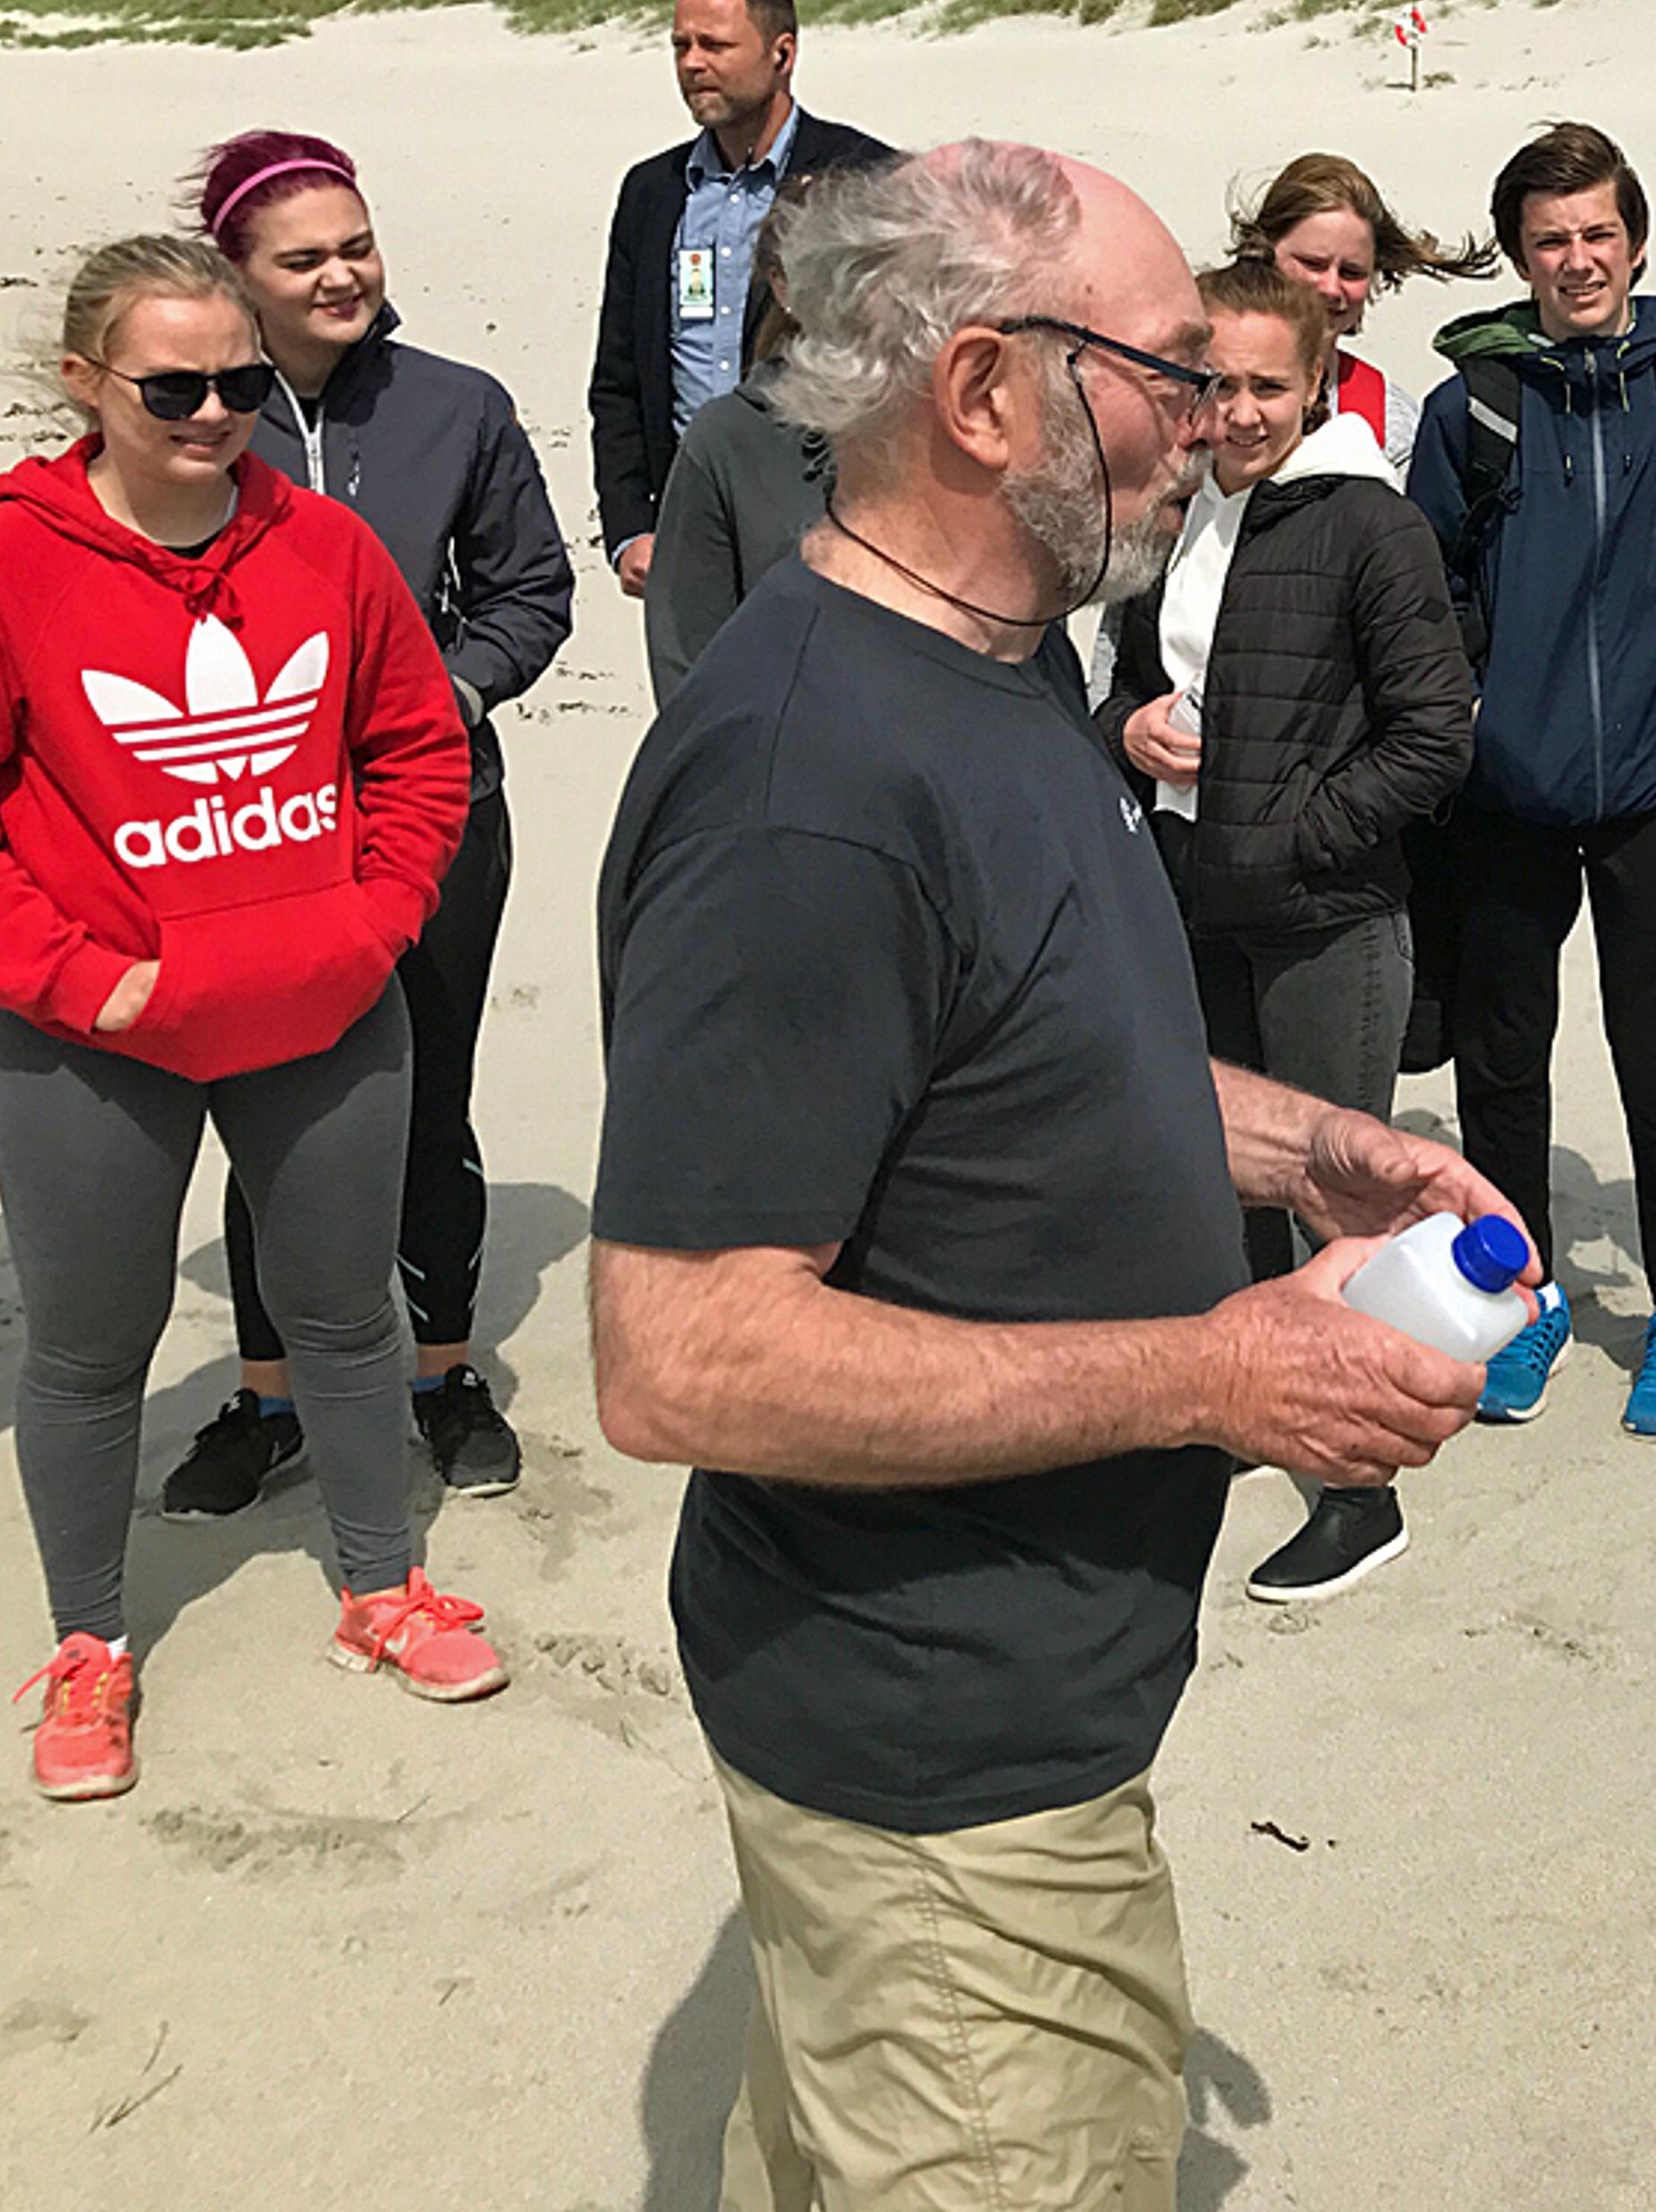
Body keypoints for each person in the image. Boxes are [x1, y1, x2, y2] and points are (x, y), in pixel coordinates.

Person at [587, 141, 1505, 2210]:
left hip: (1008, 1725)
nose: (1212, 419)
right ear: (986, 394)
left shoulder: (1007, 667)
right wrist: (1220, 1372)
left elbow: (1021, 1056)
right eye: (1169, 370)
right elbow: (677, 1354)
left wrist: (1304, 1144)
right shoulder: (807, 784)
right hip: (940, 1778)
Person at [0, 235, 501, 1805]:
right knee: (86, 1350)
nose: (213, 415)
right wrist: (82, 978)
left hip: (325, 1015)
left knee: (343, 1316)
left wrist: (368, 926)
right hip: (89, 1039)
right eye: (173, 387)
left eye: (241, 385)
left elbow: (417, 754)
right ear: (86, 384)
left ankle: (381, 1586)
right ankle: (90, 1645)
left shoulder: (325, 544)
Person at [145, 129, 574, 1517]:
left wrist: (436, 695)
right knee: (266, 1105)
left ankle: (442, 1376)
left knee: (429, 1099)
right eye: (304, 259)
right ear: (237, 276)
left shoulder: (458, 405)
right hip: (248, 829)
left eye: (358, 246)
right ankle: (268, 1399)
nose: (342, 276)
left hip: (437, 815)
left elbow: (530, 593)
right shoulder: (194, 417)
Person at [1100, 256, 1476, 1600]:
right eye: (1216, 384)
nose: (1241, 412)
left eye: (1269, 385)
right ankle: (1249, 1419)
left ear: (1319, 381)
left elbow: (1435, 737)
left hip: (1329, 921)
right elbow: (1117, 685)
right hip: (1191, 904)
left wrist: (1294, 827)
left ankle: (1361, 1492)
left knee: (1339, 1207)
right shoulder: (1173, 509)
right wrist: (1127, 732)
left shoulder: (1371, 522)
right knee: (1218, 1189)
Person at [1407, 120, 1656, 1440]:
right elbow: (1428, 586)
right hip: (1506, 791)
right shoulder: (1474, 409)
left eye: (1598, 234)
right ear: (1520, 257)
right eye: (1551, 240)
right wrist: (1462, 716)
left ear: (1636, 243)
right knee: (1503, 1062)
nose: (1578, 260)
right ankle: (1526, 1300)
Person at [588, 0, 889, 601]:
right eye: (680, 46)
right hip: (688, 523)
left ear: (783, 54)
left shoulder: (862, 176)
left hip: (827, 520)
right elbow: (618, 378)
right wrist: (629, 528)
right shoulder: (652, 191)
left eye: (715, 45)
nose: (693, 64)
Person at [644, 186, 832, 705]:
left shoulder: (947, 433)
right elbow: (687, 655)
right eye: (833, 265)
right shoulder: (727, 438)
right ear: (781, 283)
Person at [1229, 151, 1498, 478]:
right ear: (1262, 253)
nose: (1331, 288)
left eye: (1352, 273)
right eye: (1313, 264)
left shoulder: (1387, 420)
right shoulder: (1194, 390)